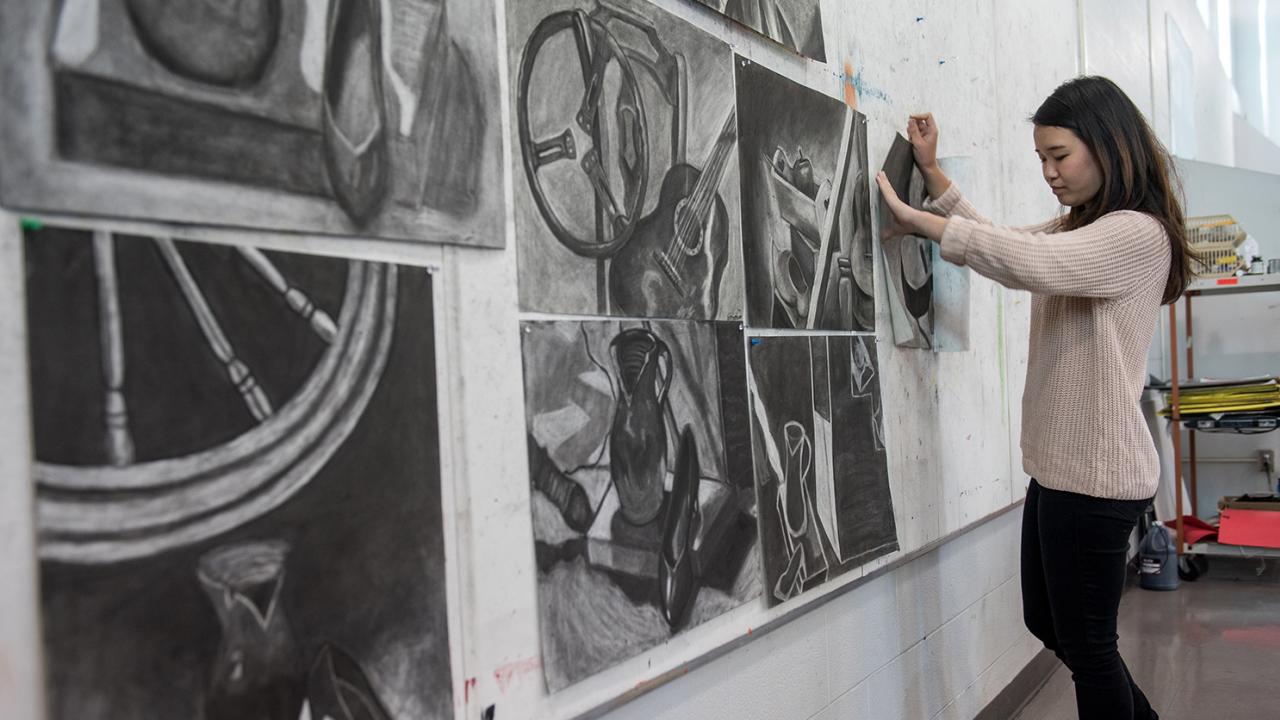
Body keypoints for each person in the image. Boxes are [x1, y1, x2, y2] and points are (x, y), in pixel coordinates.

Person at [876, 75, 1197, 720]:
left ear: (1109, 147)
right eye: (1041, 159)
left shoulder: (1135, 233)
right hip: (1061, 470)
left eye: (1060, 156)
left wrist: (922, 226)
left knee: (1088, 647)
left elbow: (1027, 263)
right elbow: (1013, 242)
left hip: (1097, 478)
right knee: (1052, 624)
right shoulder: (1087, 226)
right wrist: (935, 177)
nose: (1049, 173)